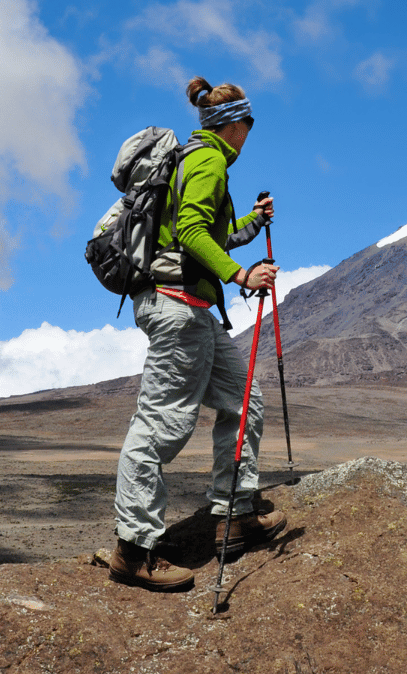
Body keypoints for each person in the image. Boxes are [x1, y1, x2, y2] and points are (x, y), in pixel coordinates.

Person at [109, 76, 287, 592]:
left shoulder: (199, 160)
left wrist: (251, 225)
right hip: (177, 308)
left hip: (193, 310)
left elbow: (206, 236)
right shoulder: (208, 161)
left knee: (242, 399)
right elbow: (189, 234)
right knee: (162, 425)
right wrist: (241, 274)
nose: (249, 134)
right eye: (248, 124)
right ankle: (133, 550)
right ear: (235, 125)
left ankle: (235, 516)